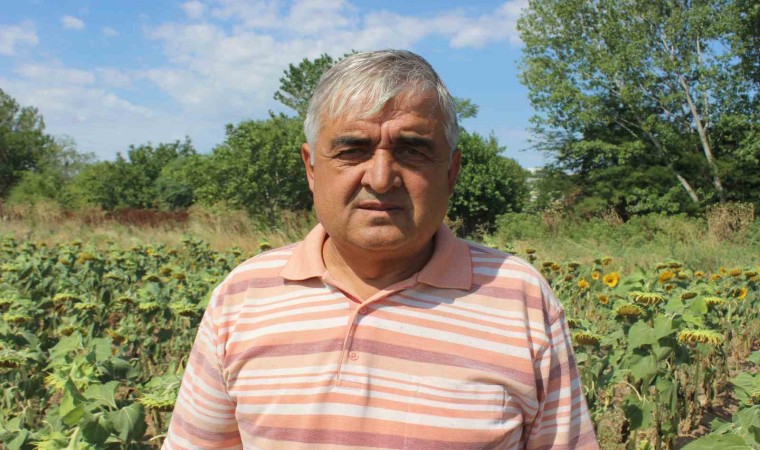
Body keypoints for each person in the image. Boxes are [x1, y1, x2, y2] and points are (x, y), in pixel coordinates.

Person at [163, 49, 599, 450]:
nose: (381, 177)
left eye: (412, 151)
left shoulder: (520, 297)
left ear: (451, 171)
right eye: (352, 150)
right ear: (311, 168)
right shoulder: (243, 296)